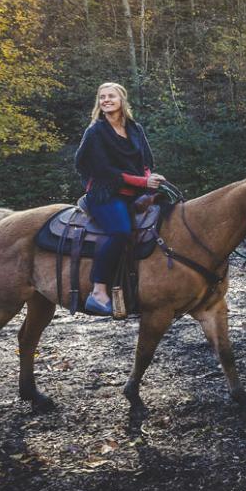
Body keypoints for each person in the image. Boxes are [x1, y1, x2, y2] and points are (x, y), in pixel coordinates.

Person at [74, 82, 166, 316]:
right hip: (105, 194)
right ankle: (98, 291)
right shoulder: (95, 132)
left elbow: (144, 161)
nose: (106, 100)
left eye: (111, 96)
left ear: (122, 100)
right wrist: (143, 183)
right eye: (102, 96)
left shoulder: (135, 128)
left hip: (134, 193)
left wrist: (150, 178)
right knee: (121, 232)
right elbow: (104, 171)